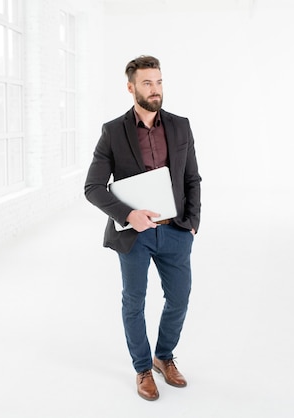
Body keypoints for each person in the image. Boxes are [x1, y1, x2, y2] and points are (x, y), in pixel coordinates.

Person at [84, 55, 202, 401]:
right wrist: (127, 215)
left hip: (176, 230)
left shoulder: (181, 126)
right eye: (148, 83)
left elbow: (192, 178)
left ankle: (163, 357)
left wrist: (192, 223)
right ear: (131, 87)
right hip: (135, 234)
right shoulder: (112, 131)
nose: (155, 89)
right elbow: (93, 187)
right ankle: (141, 368)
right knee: (134, 302)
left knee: (179, 297)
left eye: (159, 82)